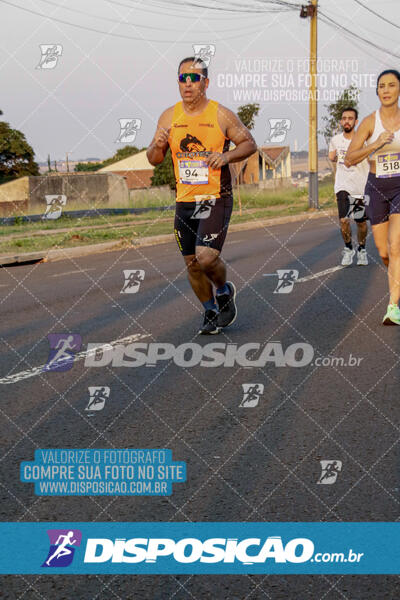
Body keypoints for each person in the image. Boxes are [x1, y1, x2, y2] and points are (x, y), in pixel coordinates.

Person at [147, 57, 257, 334]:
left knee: (206, 257)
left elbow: (249, 143)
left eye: (194, 78)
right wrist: (157, 146)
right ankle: (209, 311)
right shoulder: (168, 117)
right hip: (184, 200)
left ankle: (222, 290)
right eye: (183, 78)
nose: (188, 84)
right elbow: (154, 158)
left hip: (214, 196)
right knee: (192, 264)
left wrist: (226, 155)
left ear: (205, 83)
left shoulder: (221, 115)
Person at [346, 70, 400, 325]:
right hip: (376, 186)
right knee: (384, 251)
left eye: (391, 85)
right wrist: (376, 144)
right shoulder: (369, 122)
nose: (386, 90)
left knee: (396, 245)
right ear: (377, 91)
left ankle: (393, 307)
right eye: (381, 86)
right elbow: (350, 158)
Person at [328, 107, 369, 266]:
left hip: (360, 186)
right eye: (344, 118)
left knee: (361, 222)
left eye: (350, 118)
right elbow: (332, 156)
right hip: (342, 185)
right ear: (341, 121)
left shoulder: (364, 140)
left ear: (356, 122)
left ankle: (362, 250)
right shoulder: (336, 140)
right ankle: (348, 248)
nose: (347, 121)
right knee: (344, 220)